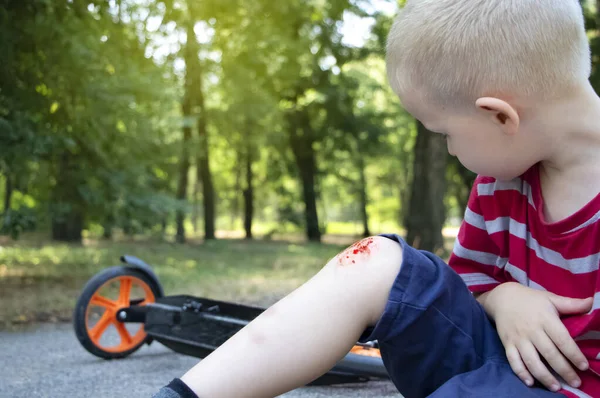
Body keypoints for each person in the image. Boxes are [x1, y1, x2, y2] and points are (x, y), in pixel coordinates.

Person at [153, 0, 600, 396]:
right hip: (494, 354)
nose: (449, 149)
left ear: (500, 116)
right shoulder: (501, 180)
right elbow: (468, 280)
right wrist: (502, 298)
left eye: (444, 133)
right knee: (373, 259)